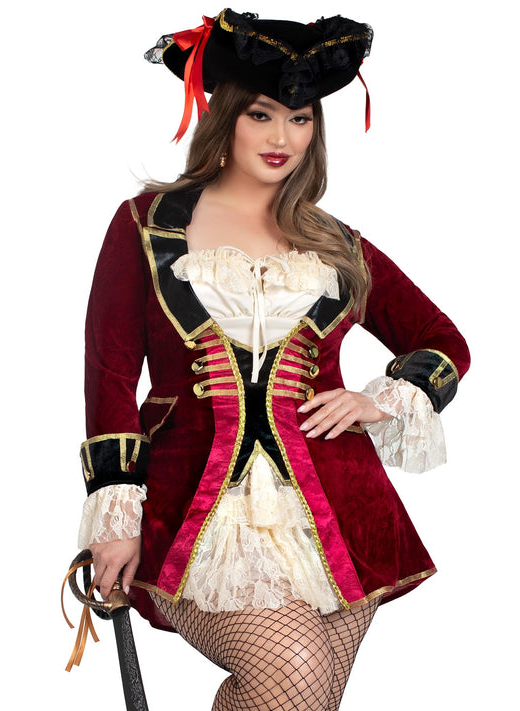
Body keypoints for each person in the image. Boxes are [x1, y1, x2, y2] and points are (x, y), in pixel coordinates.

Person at [76, 9, 470, 710]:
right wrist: (114, 517)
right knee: (291, 677)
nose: (281, 137)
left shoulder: (336, 245)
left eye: (300, 118)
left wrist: (379, 399)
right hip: (192, 512)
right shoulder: (146, 225)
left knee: (299, 699)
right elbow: (109, 374)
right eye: (261, 115)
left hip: (338, 515)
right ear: (225, 117)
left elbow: (443, 340)